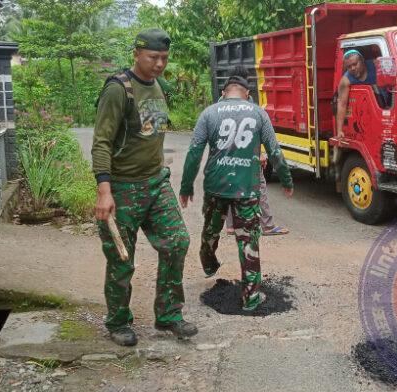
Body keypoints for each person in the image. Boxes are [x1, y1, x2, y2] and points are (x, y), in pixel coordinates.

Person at [91, 28, 197, 347]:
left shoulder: (160, 87)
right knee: (122, 259)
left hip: (155, 183)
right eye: (153, 57)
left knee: (177, 241)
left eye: (164, 58)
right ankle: (118, 321)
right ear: (136, 54)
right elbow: (101, 143)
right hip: (123, 188)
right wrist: (104, 190)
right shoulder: (118, 89)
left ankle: (168, 315)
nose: (160, 64)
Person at [179, 69, 294, 311]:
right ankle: (251, 298)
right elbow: (274, 151)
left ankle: (209, 263)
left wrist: (186, 186)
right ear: (247, 94)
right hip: (247, 189)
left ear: (223, 93)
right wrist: (286, 180)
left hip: (215, 187)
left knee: (210, 231)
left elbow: (194, 153)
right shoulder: (258, 113)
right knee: (248, 242)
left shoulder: (209, 113)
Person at [335, 49, 377, 139]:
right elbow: (342, 104)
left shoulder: (375, 65)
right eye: (349, 67)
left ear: (362, 61)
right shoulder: (345, 80)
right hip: (365, 117)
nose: (353, 68)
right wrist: (339, 130)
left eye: (355, 64)